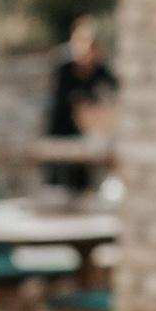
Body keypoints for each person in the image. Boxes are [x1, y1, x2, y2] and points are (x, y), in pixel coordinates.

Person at [42, 14, 118, 190]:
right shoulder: (64, 64)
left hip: (83, 130)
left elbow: (115, 87)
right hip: (60, 125)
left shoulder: (98, 66)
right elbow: (60, 99)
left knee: (81, 179)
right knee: (58, 177)